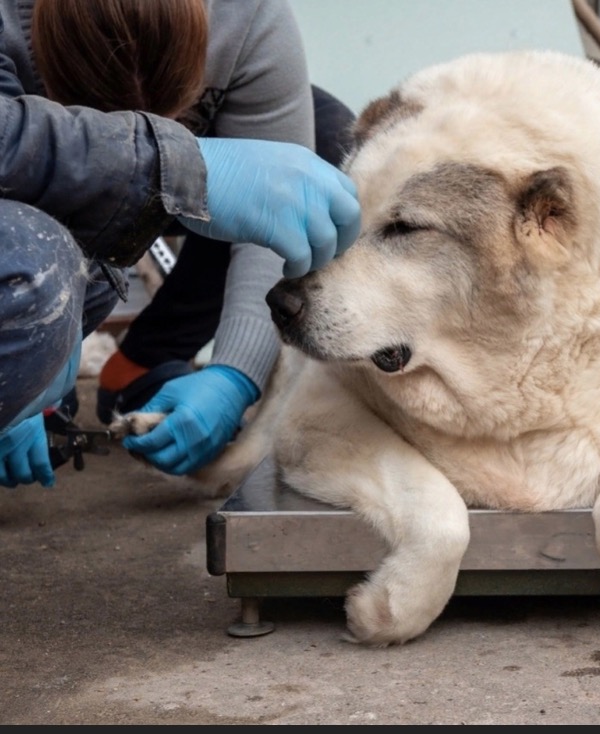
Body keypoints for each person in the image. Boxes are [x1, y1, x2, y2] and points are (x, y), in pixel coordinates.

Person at [0, 9, 361, 487]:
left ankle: (141, 361)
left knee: (325, 141)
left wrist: (236, 373)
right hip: (23, 183)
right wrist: (23, 361)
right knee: (34, 272)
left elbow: (277, 237)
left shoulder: (248, 18)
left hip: (189, 174)